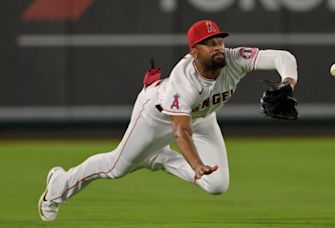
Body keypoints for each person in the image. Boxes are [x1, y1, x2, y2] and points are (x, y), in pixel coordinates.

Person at [38, 19, 298, 221]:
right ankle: (59, 184)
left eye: (219, 40)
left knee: (217, 184)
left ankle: (156, 158)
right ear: (194, 51)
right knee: (115, 168)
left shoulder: (233, 59)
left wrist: (287, 83)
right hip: (156, 116)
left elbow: (282, 57)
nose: (218, 47)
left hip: (202, 118)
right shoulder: (182, 81)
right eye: (209, 43)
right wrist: (195, 164)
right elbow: (180, 133)